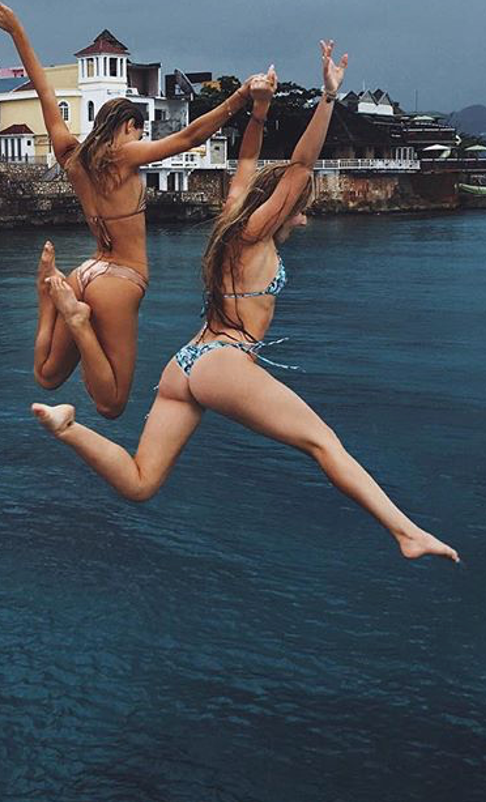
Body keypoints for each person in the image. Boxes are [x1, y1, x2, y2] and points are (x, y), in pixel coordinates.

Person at [32, 40, 460, 563]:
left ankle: (69, 428)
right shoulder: (256, 230)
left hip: (185, 364)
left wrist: (258, 111)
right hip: (222, 361)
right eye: (300, 211)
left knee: (142, 482)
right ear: (281, 209)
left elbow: (249, 158)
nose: (303, 218)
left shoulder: (235, 212)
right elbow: (301, 163)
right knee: (322, 442)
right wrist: (327, 97)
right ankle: (405, 531)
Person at [0, 0, 271, 419]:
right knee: (112, 404)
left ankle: (49, 295)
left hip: (86, 271)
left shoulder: (71, 155)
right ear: (127, 127)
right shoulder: (125, 156)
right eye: (139, 131)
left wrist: (18, 31)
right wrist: (241, 99)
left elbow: (44, 90)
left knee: (47, 376)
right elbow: (189, 138)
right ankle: (76, 319)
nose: (142, 139)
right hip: (121, 279)